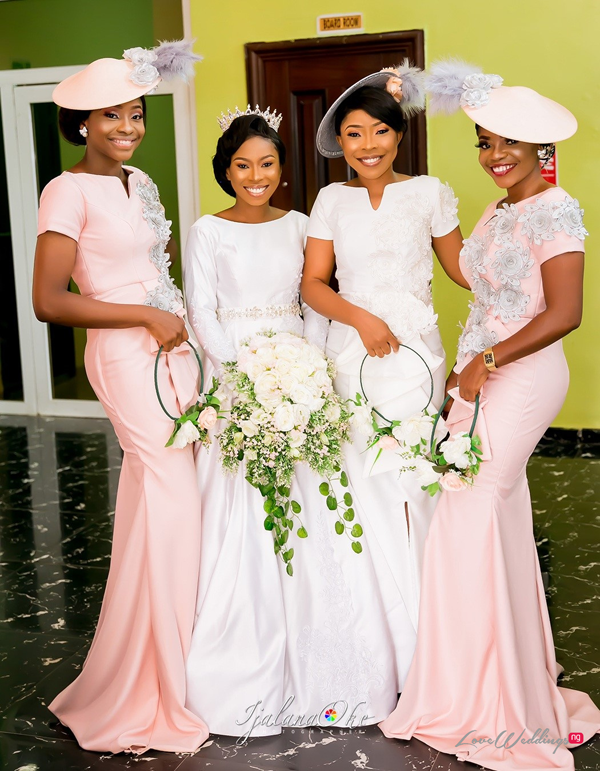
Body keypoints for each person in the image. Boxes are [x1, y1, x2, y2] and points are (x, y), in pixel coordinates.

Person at [379, 60, 600, 771]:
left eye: (508, 143)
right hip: (478, 377)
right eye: (483, 141)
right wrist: (458, 372)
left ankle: (491, 702)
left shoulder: (557, 209)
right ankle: (490, 681)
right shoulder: (497, 210)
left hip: (524, 376)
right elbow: (480, 287)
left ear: (541, 150)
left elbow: (565, 312)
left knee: (469, 509)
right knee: (485, 516)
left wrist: (486, 363)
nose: (494, 155)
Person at [183, 108, 403, 737]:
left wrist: (304, 367)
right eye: (242, 165)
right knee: (245, 512)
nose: (256, 176)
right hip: (240, 379)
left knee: (319, 513)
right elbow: (203, 310)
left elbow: (312, 296)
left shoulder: (304, 223)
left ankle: (330, 668)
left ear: (283, 167)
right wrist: (248, 375)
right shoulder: (207, 230)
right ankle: (245, 665)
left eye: (267, 163)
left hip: (301, 374)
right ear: (226, 171)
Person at [32, 42, 209, 754]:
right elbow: (49, 301)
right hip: (124, 352)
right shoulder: (64, 191)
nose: (129, 127)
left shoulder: (142, 183)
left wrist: (184, 332)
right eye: (114, 116)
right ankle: (166, 676)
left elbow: (157, 273)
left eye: (136, 114)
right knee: (173, 492)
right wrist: (142, 317)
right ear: (83, 123)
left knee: (157, 495)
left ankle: (157, 659)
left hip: (174, 349)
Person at [301, 62, 467, 694]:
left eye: (378, 132)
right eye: (353, 134)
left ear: (400, 135)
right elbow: (313, 283)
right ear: (338, 143)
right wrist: (363, 319)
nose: (367, 145)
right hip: (351, 351)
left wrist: (519, 272)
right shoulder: (330, 200)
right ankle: (372, 632)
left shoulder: (429, 193)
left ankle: (432, 635)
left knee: (414, 482)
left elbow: (462, 271)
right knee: (359, 483)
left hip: (417, 357)